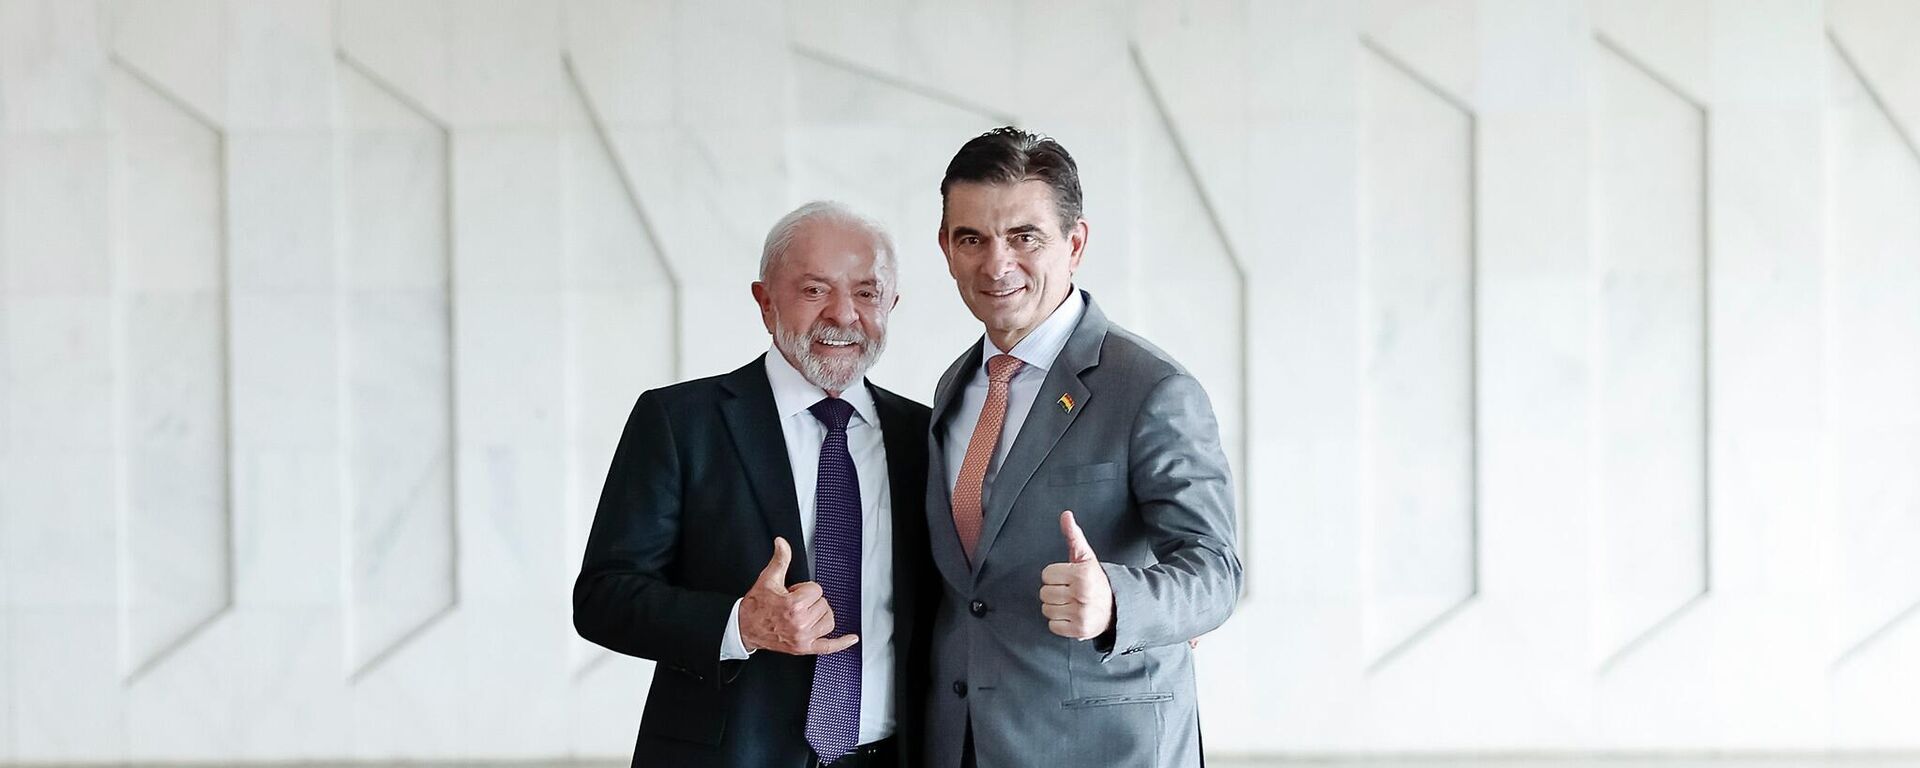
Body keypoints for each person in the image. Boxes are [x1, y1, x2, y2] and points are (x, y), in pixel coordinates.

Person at [921, 128, 1242, 768]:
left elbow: (1215, 572)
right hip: (963, 744)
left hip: (1102, 749)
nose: (996, 263)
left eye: (1023, 237)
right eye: (972, 239)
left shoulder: (1152, 388)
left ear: (1075, 243)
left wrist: (1116, 601)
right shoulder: (955, 386)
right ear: (947, 250)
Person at [575, 201, 932, 767]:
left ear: (892, 303)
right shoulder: (680, 422)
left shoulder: (926, 436)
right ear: (765, 303)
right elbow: (602, 597)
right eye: (815, 290)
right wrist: (739, 623)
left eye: (866, 292)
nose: (843, 315)